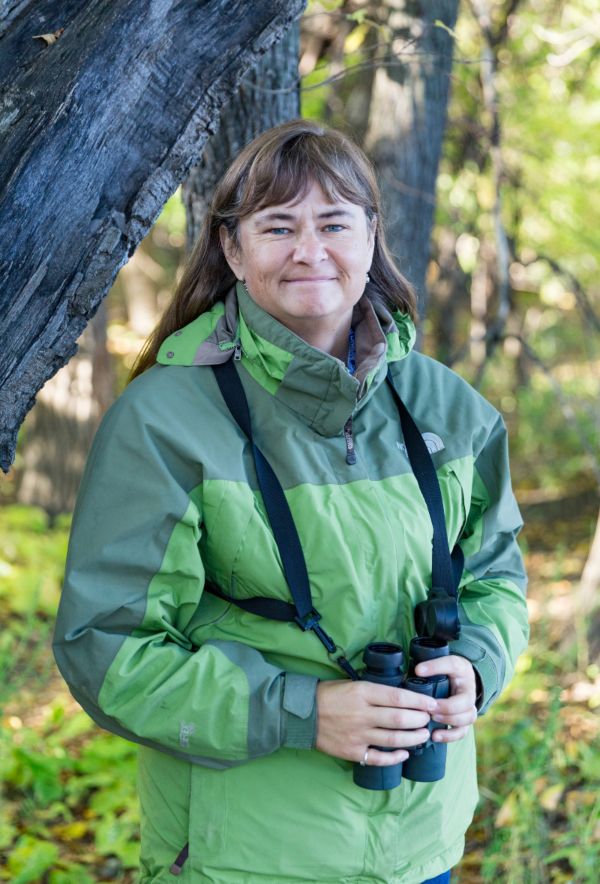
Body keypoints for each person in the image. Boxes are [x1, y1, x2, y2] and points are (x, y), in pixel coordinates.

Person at [53, 119, 529, 884]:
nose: (310, 250)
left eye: (334, 223)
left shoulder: (448, 408)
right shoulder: (166, 420)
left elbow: (497, 578)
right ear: (234, 251)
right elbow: (106, 649)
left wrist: (477, 661)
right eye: (278, 226)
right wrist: (301, 711)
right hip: (243, 855)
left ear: (372, 238)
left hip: (422, 848)